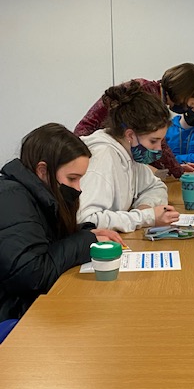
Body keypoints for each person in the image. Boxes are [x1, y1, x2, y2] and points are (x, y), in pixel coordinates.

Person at [0, 123, 123, 322]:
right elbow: (33, 275)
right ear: (42, 170)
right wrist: (85, 241)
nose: (78, 188)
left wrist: (87, 233)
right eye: (72, 178)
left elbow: (47, 242)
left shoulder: (35, 195)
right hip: (10, 316)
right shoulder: (11, 198)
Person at [77, 81, 180, 233]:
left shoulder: (130, 154)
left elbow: (155, 186)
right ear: (130, 135)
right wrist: (144, 217)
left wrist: (145, 206)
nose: (158, 149)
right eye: (153, 141)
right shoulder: (102, 158)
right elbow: (86, 220)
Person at [74, 63, 194, 178]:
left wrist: (176, 168)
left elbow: (155, 144)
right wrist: (177, 171)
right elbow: (158, 143)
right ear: (183, 92)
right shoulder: (148, 94)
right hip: (94, 150)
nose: (189, 107)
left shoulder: (150, 89)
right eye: (192, 101)